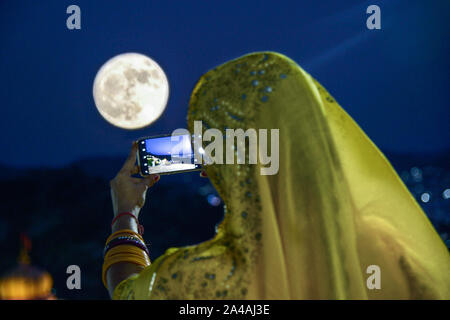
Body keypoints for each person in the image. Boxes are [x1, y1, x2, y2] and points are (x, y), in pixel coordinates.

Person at [103, 51, 450, 299]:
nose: (207, 169)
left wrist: (125, 214)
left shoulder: (202, 279)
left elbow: (127, 293)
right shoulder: (393, 250)